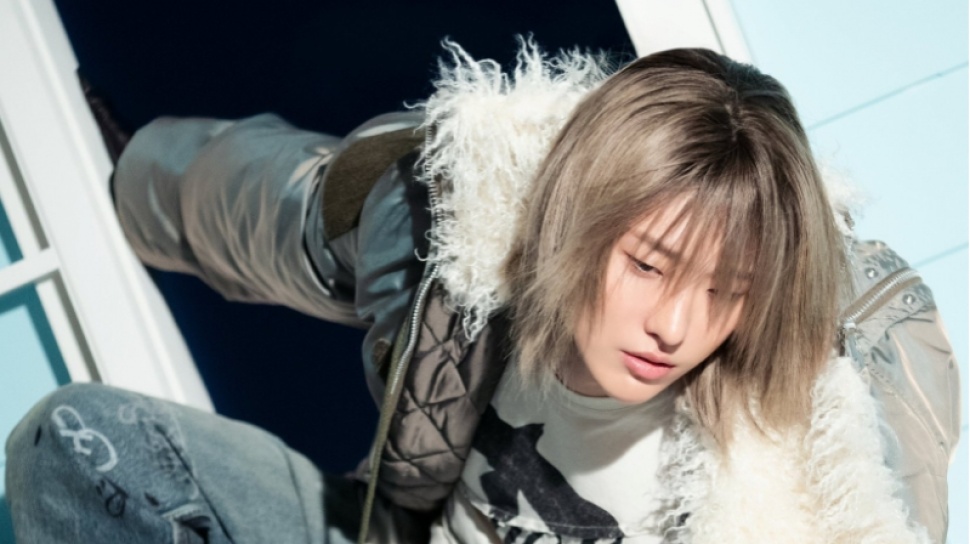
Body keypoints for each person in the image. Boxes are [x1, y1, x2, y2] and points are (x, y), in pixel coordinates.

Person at [4, 42, 959, 543]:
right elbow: (273, 201)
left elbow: (879, 513)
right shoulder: (455, 222)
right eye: (648, 265)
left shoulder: (801, 459)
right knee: (77, 439)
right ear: (576, 216)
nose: (675, 326)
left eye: (727, 292)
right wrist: (132, 181)